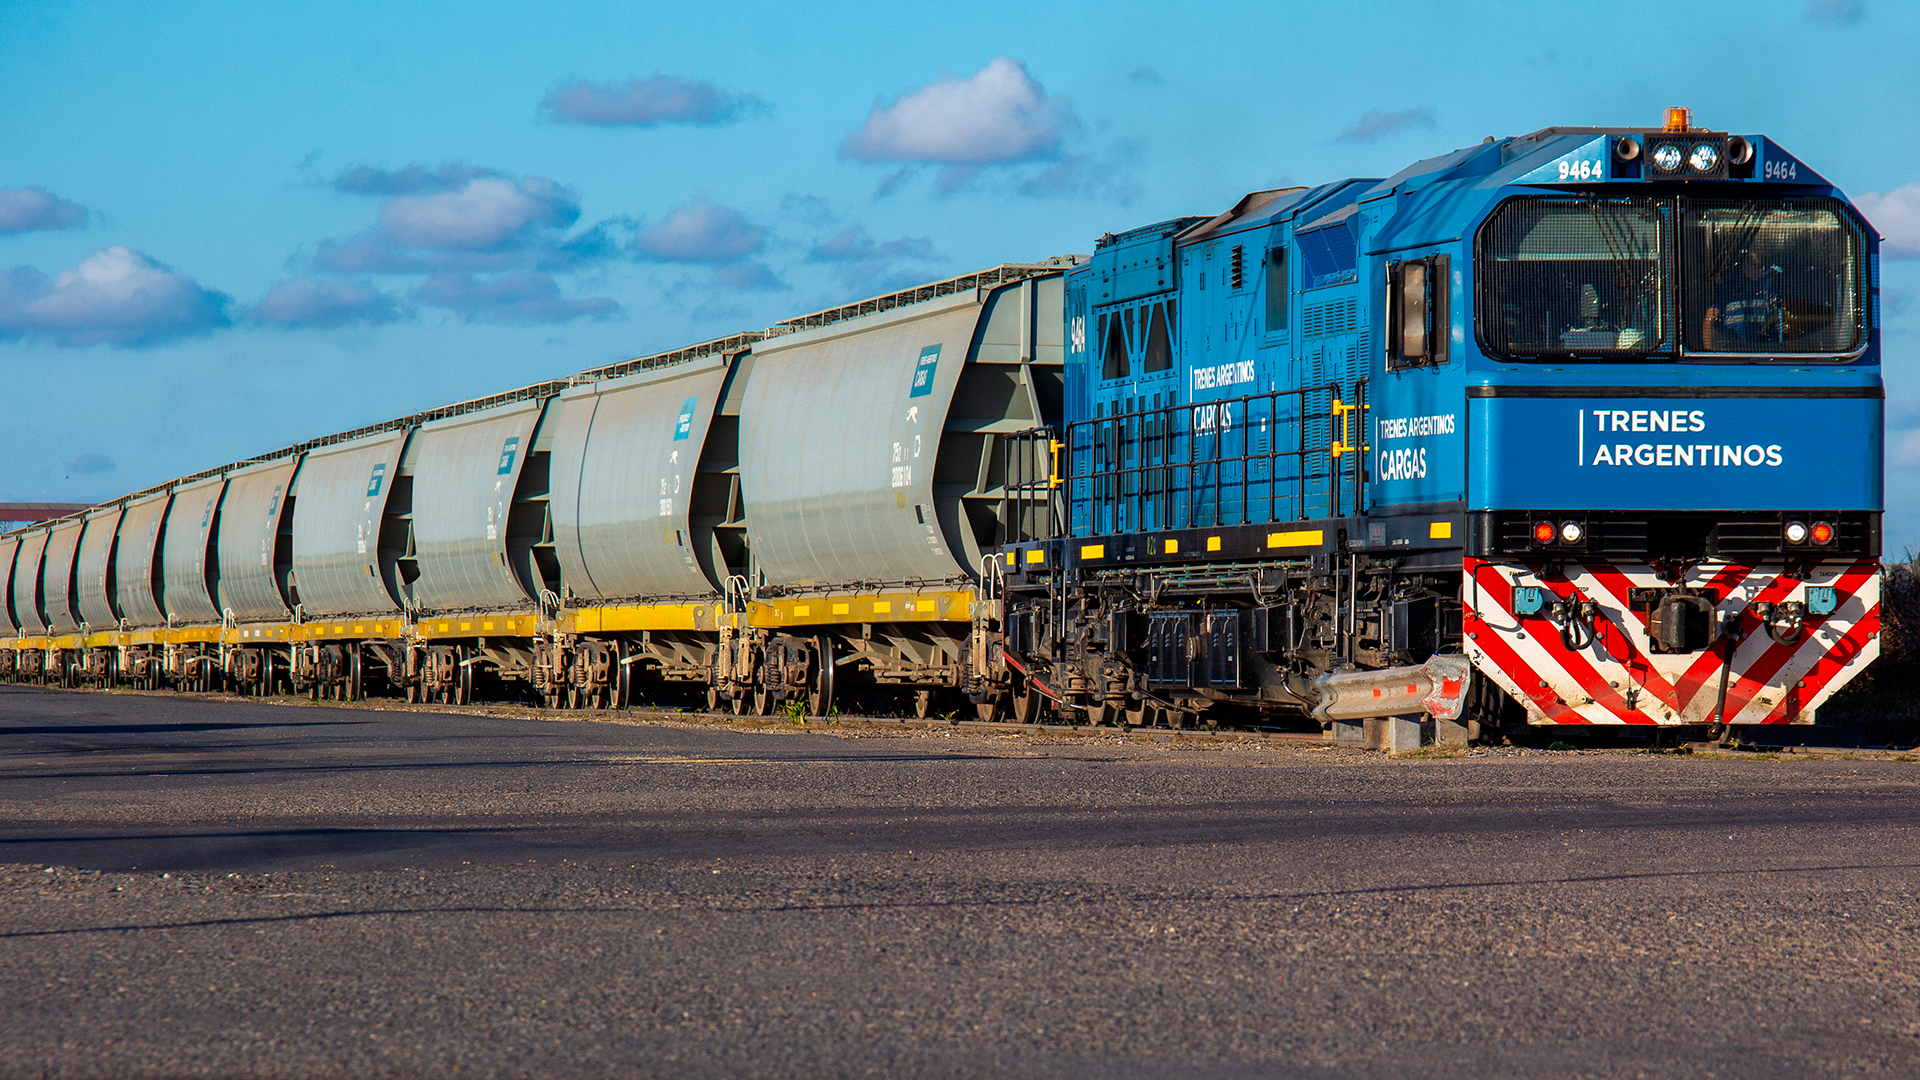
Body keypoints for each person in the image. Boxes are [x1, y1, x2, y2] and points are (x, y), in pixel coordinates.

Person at [1701, 242, 1782, 349]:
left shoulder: (1772, 284)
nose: (1760, 269)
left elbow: (1784, 313)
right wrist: (1708, 352)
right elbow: (1710, 318)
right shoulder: (1728, 287)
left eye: (1763, 265)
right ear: (1742, 265)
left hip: (1767, 350)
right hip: (1734, 352)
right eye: (1754, 265)